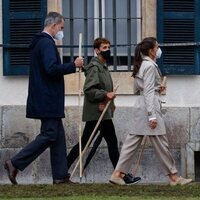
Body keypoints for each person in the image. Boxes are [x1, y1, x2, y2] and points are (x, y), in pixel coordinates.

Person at [4, 11, 83, 185]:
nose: (61, 32)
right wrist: (73, 65)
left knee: (58, 137)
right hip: (47, 99)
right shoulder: (46, 43)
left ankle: (60, 175)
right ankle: (15, 162)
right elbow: (51, 69)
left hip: (46, 98)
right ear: (53, 25)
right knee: (49, 134)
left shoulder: (41, 42)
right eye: (61, 28)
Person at [110, 37, 193, 186]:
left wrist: (156, 88)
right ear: (151, 50)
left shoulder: (143, 64)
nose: (159, 49)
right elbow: (147, 91)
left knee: (133, 142)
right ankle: (174, 177)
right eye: (157, 47)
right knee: (160, 142)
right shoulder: (149, 66)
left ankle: (118, 174)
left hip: (143, 105)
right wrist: (152, 115)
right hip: (149, 107)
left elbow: (139, 88)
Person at [67, 37, 140, 184]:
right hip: (97, 113)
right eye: (104, 48)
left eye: (108, 47)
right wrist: (105, 95)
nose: (107, 50)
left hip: (103, 111)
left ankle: (119, 175)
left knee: (95, 142)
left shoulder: (102, 66)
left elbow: (104, 87)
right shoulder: (95, 67)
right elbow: (89, 89)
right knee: (96, 142)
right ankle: (120, 175)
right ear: (97, 50)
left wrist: (110, 102)